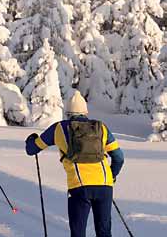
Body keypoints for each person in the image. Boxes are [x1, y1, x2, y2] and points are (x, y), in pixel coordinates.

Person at [25, 90, 124, 237]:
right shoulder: (100, 128)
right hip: (105, 186)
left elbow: (33, 149)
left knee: (78, 233)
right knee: (104, 232)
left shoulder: (59, 128)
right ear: (85, 111)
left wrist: (30, 140)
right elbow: (119, 157)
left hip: (79, 186)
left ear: (68, 112)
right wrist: (112, 175)